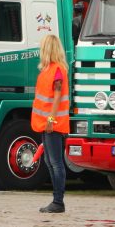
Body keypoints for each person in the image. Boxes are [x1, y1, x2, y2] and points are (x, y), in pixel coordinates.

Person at [31, 34, 70, 213]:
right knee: (50, 161)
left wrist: (51, 119)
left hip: (52, 124)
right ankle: (56, 200)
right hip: (45, 123)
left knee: (56, 162)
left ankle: (58, 201)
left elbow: (57, 97)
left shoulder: (57, 70)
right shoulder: (47, 71)